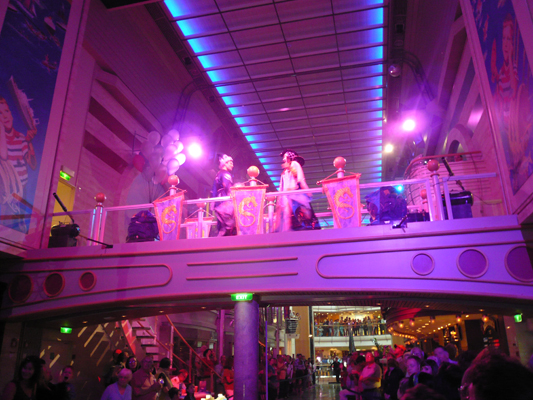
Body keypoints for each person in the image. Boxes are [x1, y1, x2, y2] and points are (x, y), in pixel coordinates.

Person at [275, 149, 320, 231]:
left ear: (289, 156)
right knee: (294, 219)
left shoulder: (294, 164)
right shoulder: (285, 171)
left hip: (294, 195)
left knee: (299, 217)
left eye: (285, 157)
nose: (283, 159)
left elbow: (300, 180)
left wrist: (307, 192)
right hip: (289, 197)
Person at [211, 154, 236, 236]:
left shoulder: (218, 174)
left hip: (219, 199)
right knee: (227, 224)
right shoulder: (226, 174)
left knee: (221, 223)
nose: (232, 165)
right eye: (231, 163)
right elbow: (228, 187)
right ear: (225, 163)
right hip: (224, 199)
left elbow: (214, 189)